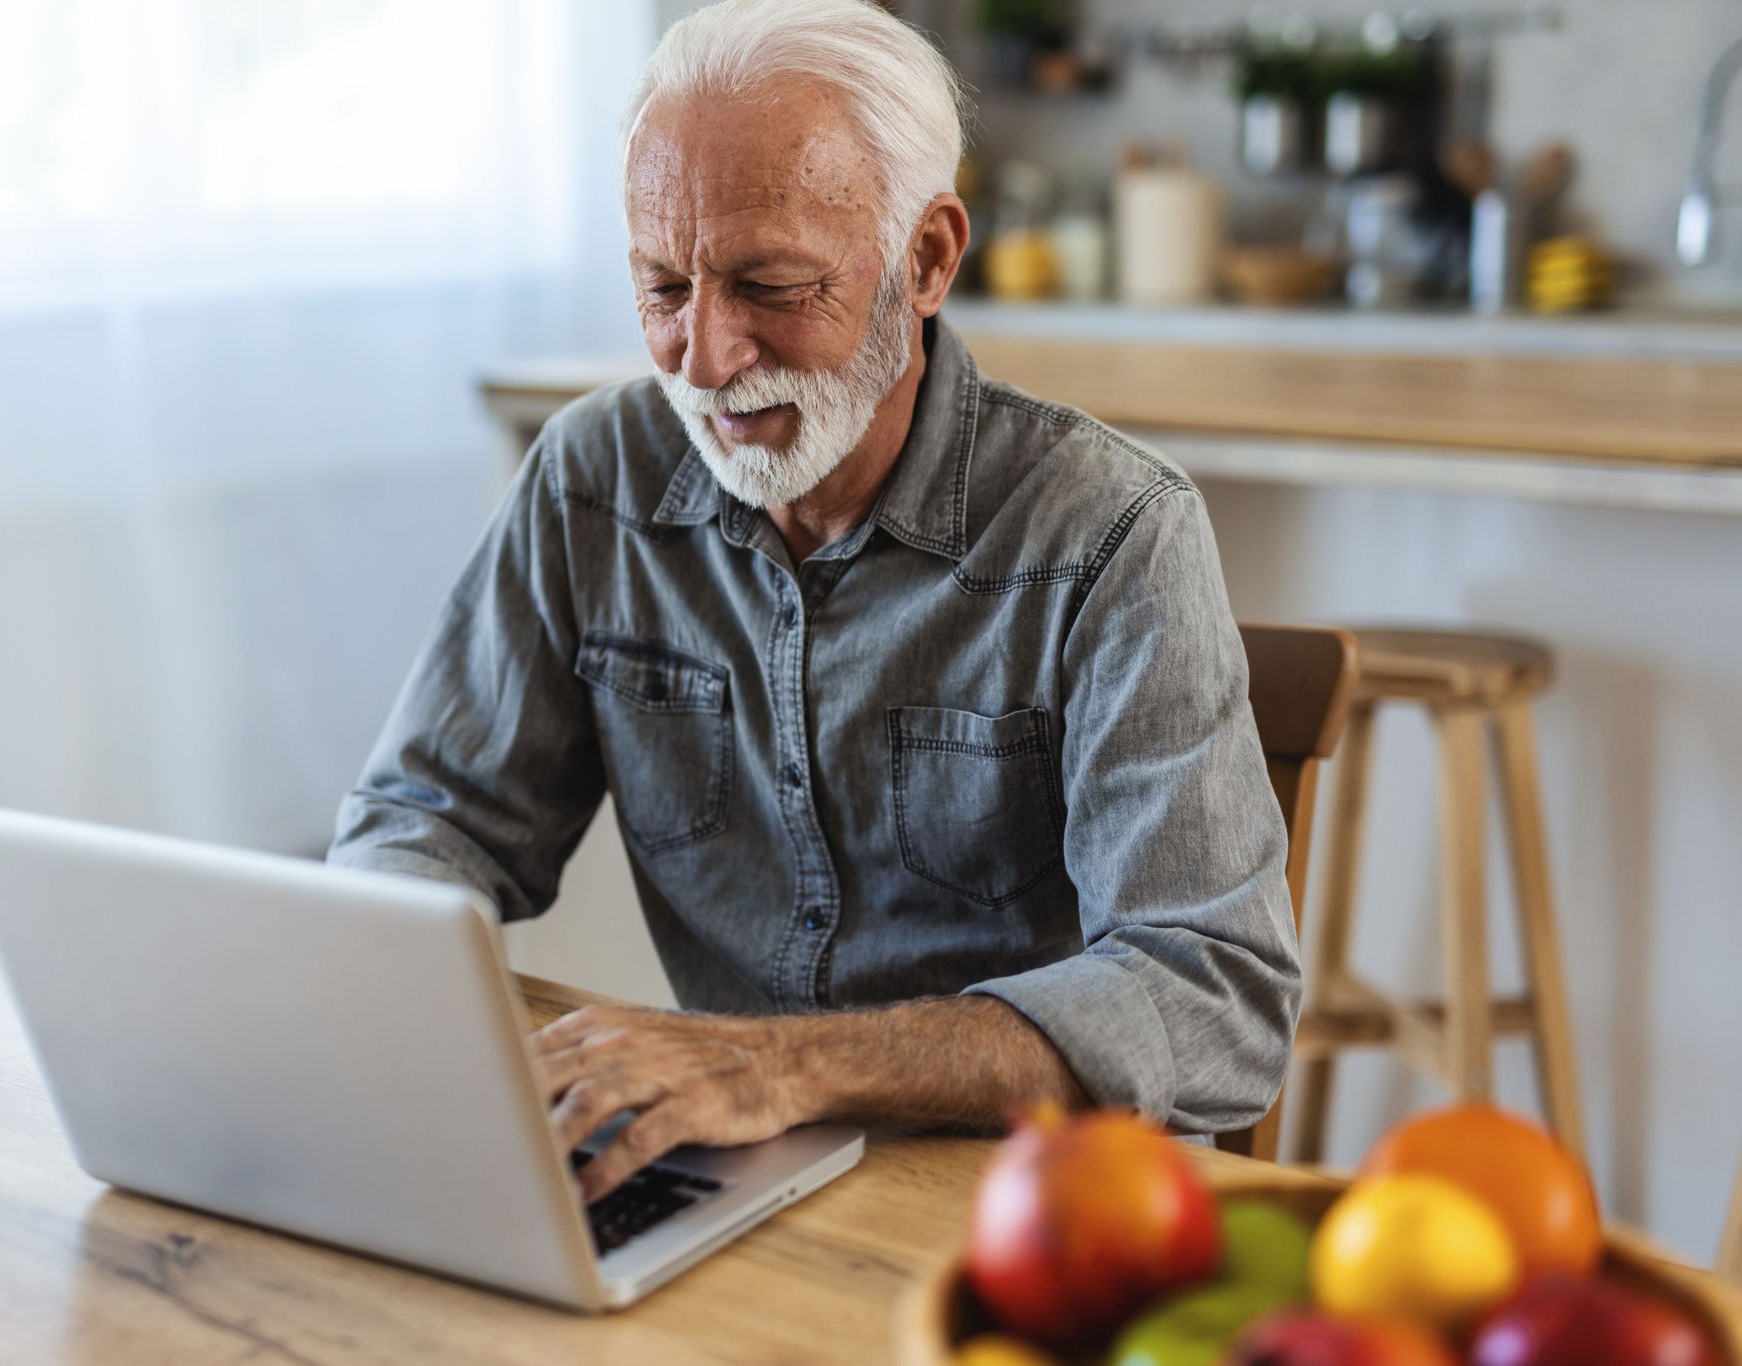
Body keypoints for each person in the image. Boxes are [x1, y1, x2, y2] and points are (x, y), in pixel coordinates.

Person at [330, 0, 1299, 1202]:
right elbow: (428, 821)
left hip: (1033, 1209)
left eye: (770, 284)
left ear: (929, 258)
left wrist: (783, 1067)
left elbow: (1214, 996)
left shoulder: (1109, 532)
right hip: (724, 1179)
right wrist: (399, 1037)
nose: (704, 357)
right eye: (662, 286)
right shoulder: (593, 479)